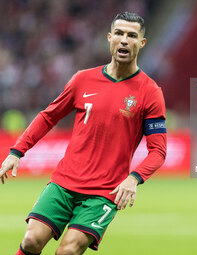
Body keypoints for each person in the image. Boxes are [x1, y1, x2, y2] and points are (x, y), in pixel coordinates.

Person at [0, 11, 167, 255]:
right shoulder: (83, 80)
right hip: (64, 182)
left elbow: (159, 151)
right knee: (31, 241)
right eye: (119, 33)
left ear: (141, 43)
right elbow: (49, 116)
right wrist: (17, 151)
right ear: (109, 37)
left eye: (131, 36)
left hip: (104, 193)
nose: (124, 40)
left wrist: (134, 178)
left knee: (67, 251)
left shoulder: (150, 92)